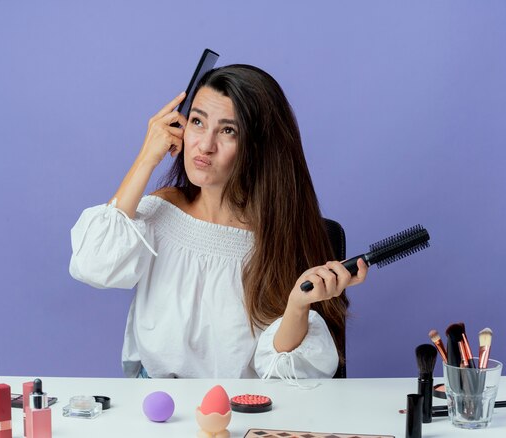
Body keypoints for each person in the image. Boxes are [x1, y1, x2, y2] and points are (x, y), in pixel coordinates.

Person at [69, 64, 368, 379]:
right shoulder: (159, 213)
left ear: (259, 147)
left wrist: (297, 305)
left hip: (247, 409)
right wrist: (147, 157)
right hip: (158, 404)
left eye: (228, 130)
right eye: (197, 122)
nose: (205, 145)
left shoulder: (280, 236)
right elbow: (93, 264)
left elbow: (283, 375)